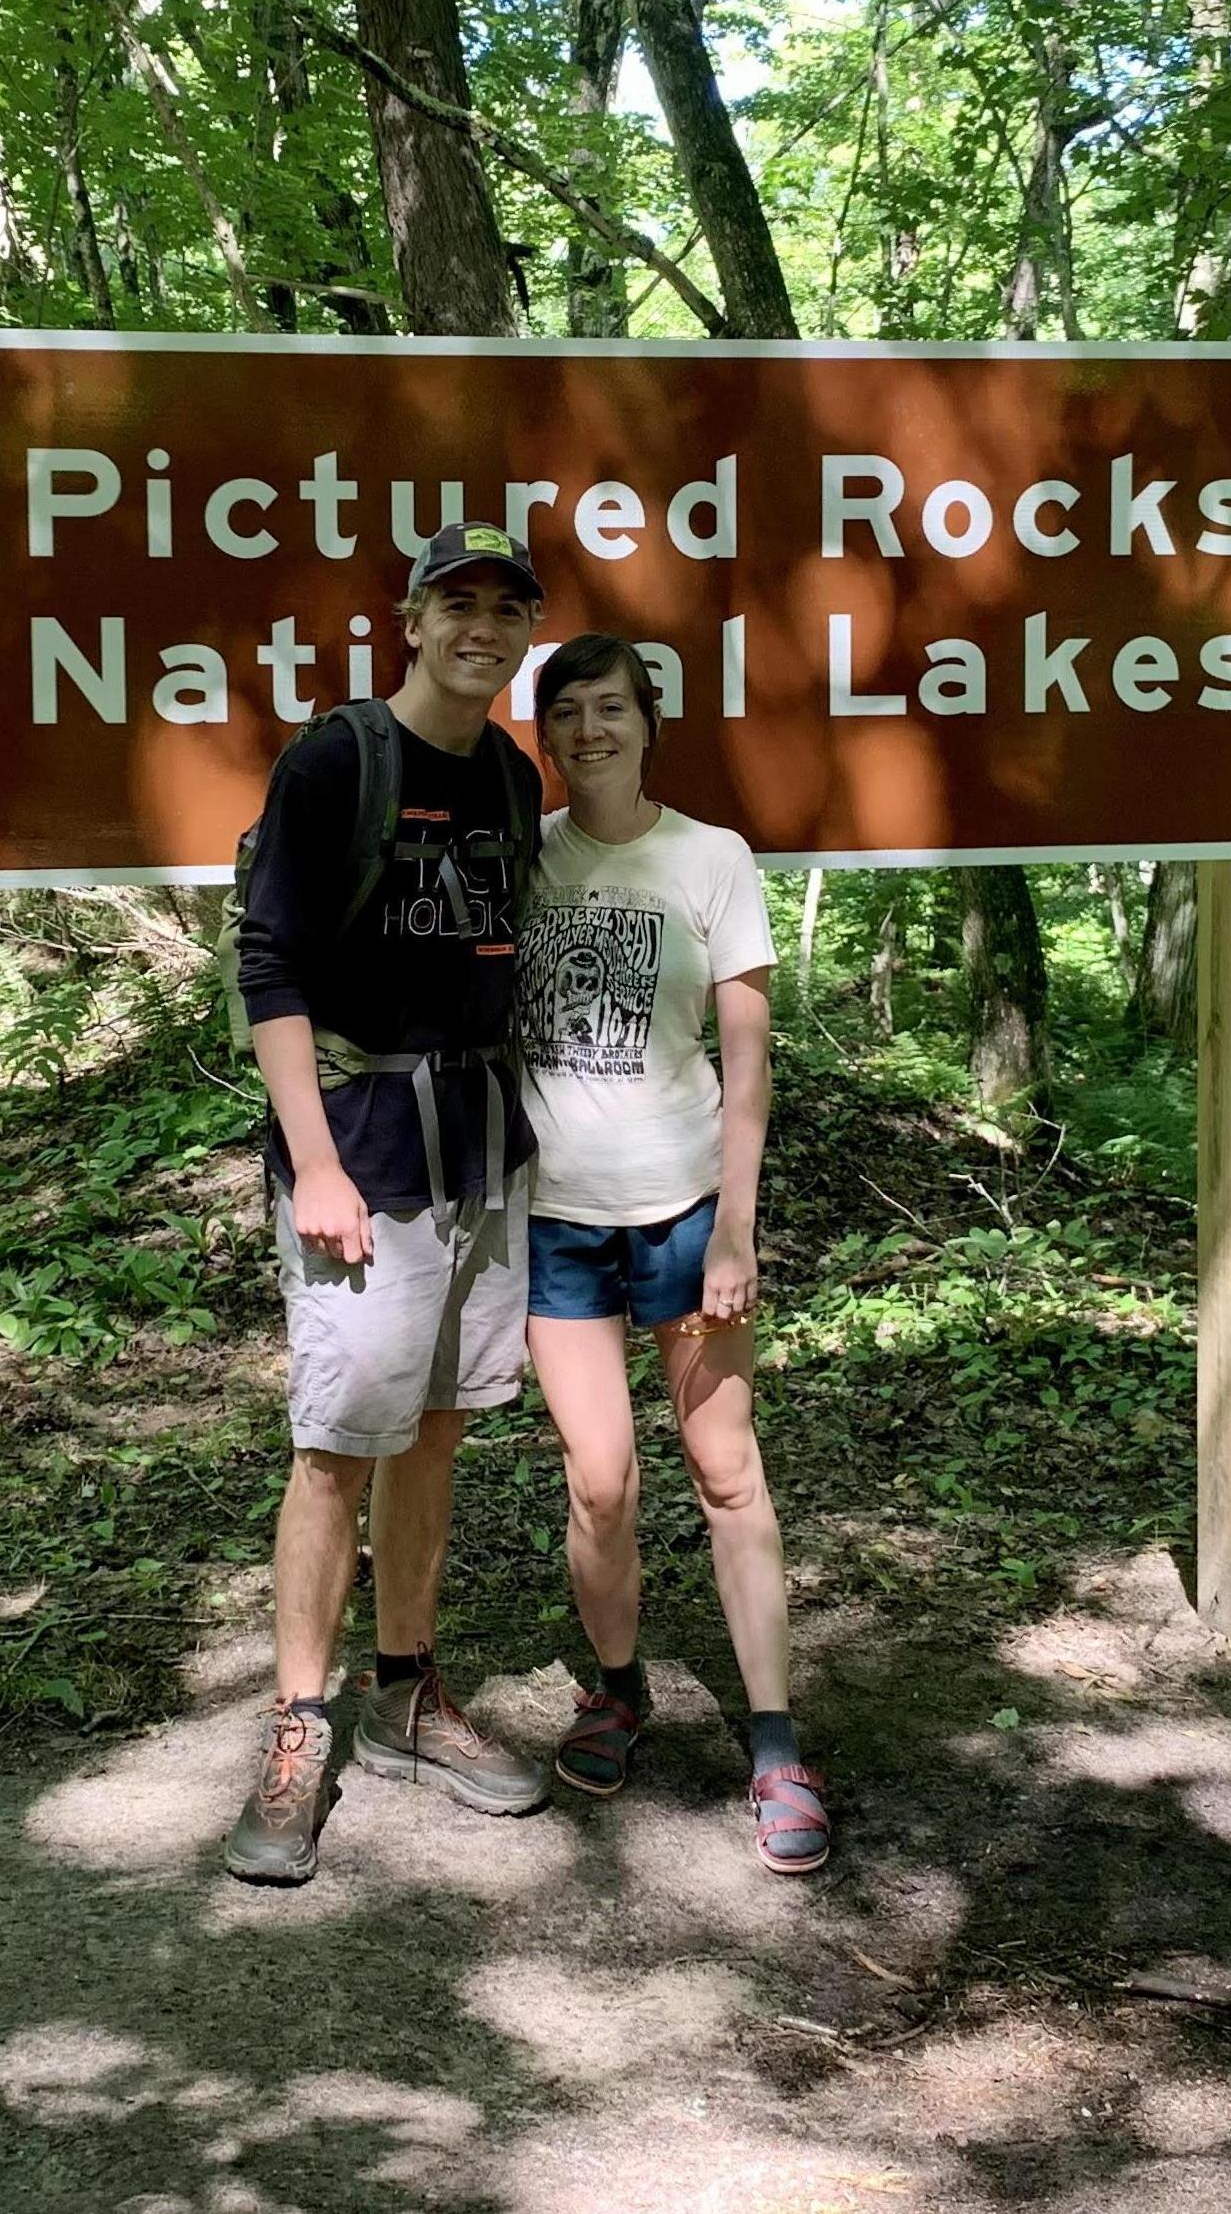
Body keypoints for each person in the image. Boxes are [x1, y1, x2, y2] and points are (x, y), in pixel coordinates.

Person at [222, 522, 554, 1886]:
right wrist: (314, 1160)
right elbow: (271, 958)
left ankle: (408, 1687)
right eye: (456, 603)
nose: (481, 626)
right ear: (410, 620)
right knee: (336, 1440)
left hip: (481, 1148)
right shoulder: (336, 758)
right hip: (360, 1147)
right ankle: (301, 1725)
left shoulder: (512, 777)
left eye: (504, 607)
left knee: (433, 1430)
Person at [515, 631, 829, 1873]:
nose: (589, 730)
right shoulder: (521, 861)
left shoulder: (712, 858)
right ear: (543, 737)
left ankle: (774, 1740)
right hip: (551, 1217)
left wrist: (738, 1228)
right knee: (600, 1480)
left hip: (687, 1209)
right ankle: (617, 1686)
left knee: (724, 1468)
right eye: (567, 713)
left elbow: (746, 1056)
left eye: (610, 708)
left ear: (648, 722)